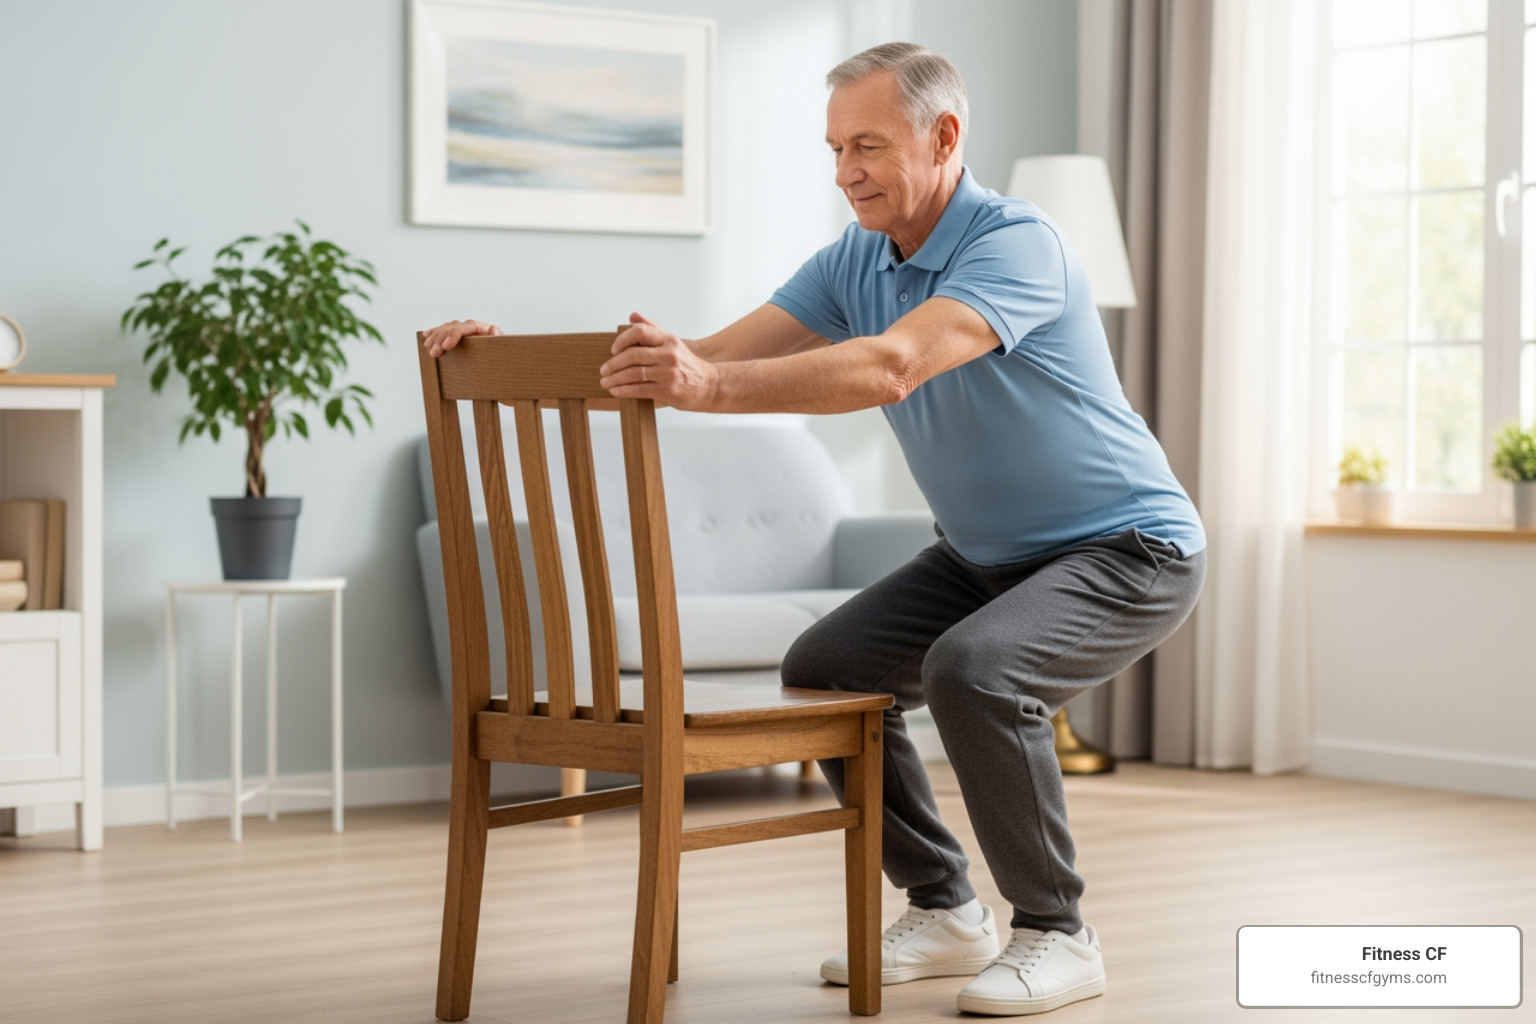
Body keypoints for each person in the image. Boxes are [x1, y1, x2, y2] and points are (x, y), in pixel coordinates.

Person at [422, 41, 1205, 1019]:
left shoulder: (1017, 243)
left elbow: (892, 366)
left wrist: (704, 384)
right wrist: (507, 356)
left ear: (944, 135)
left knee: (978, 669)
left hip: (1128, 548)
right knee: (829, 665)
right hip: (985, 558)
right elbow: (692, 360)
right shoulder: (855, 260)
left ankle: (1057, 929)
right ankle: (944, 905)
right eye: (835, 149)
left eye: (867, 146)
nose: (845, 173)